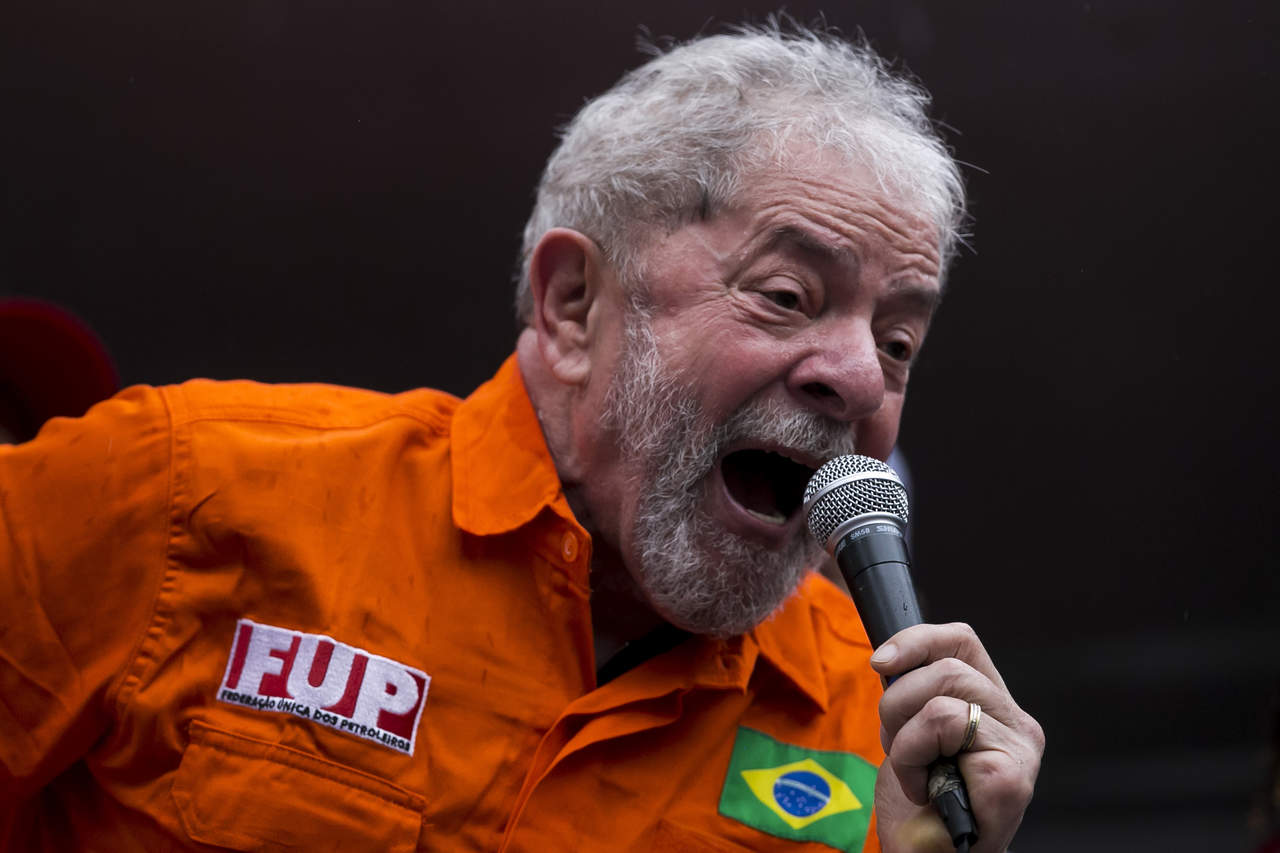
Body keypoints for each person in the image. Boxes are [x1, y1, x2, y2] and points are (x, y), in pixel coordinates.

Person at [0, 23, 1043, 852]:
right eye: (786, 294)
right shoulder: (173, 489)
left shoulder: (879, 737)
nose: (858, 377)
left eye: (898, 341)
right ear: (574, 303)